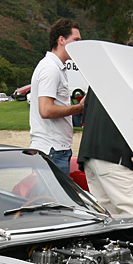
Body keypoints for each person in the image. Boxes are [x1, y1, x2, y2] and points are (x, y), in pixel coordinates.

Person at [78, 30, 133, 216]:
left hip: (89, 157)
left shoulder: (105, 67)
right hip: (115, 159)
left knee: (108, 223)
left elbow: (86, 112)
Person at [29, 18, 84, 173]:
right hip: (52, 150)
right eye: (76, 40)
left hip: (54, 149)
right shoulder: (50, 69)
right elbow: (46, 110)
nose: (79, 44)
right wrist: (79, 108)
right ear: (61, 40)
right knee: (54, 197)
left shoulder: (55, 67)